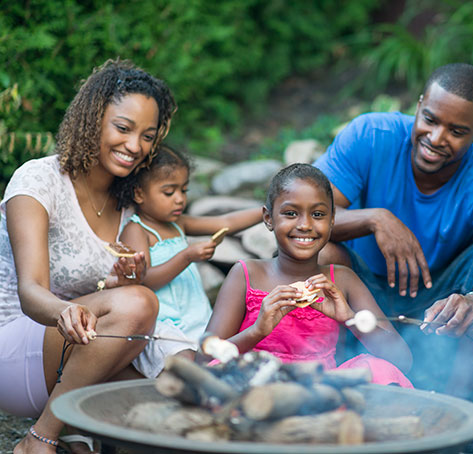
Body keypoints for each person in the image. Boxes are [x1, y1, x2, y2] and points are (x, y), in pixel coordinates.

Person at [314, 63, 473, 399]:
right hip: (358, 296)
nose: (436, 139)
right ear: (418, 105)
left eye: (457, 131)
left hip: (440, 312)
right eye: (431, 120)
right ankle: (319, 376)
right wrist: (375, 219)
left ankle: (457, 405)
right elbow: (300, 218)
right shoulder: (371, 136)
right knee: (319, 252)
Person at [0, 59, 176, 454]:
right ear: (92, 119)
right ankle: (40, 437)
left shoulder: (126, 204)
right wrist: (65, 309)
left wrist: (125, 279)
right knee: (139, 303)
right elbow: (31, 292)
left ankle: (78, 431)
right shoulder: (38, 180)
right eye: (123, 128)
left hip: (76, 354)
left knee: (168, 402)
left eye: (147, 136)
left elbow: (105, 295)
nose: (135, 146)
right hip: (12, 347)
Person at [206, 163, 413, 387]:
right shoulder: (247, 274)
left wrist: (349, 318)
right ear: (268, 218)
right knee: (216, 373)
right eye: (291, 213)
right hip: (255, 384)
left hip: (321, 391)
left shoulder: (342, 280)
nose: (305, 225)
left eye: (317, 214)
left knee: (379, 370)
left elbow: (402, 360)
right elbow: (206, 357)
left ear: (332, 219)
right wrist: (257, 331)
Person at [116, 144, 261, 372]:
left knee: (223, 359)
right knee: (185, 365)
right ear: (139, 193)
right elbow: (144, 281)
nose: (179, 199)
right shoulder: (137, 230)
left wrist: (266, 210)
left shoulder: (178, 223)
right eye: (169, 192)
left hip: (195, 318)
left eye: (184, 191)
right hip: (163, 325)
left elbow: (226, 223)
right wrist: (186, 256)